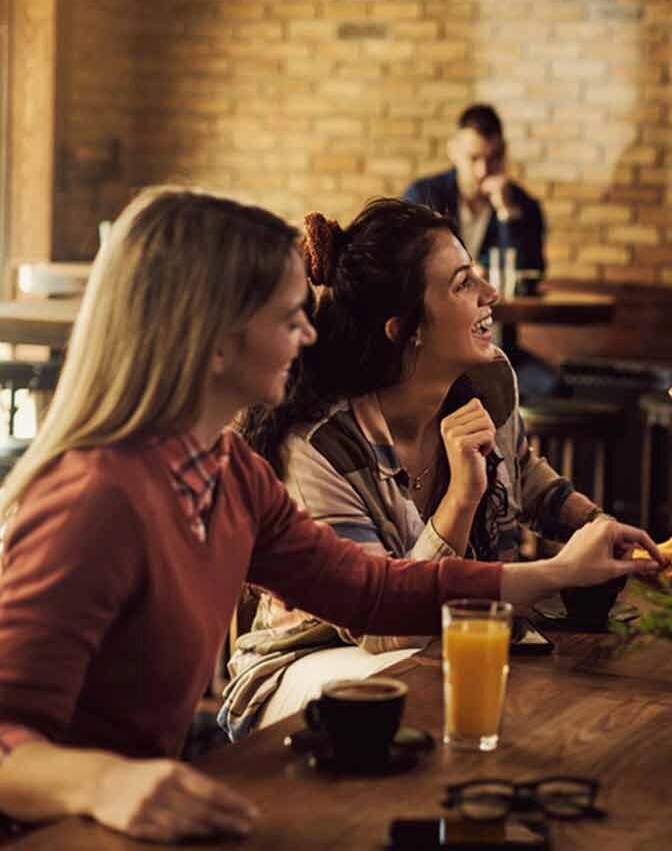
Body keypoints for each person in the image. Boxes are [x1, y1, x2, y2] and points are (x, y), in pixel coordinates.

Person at [0, 188, 657, 844]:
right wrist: (104, 782)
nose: (311, 334)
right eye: (289, 318)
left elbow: (373, 591)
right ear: (215, 344)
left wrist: (557, 572)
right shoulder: (93, 501)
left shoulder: (229, 475)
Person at [220, 199, 605, 737]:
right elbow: (381, 627)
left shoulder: (489, 382)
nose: (491, 296)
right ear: (405, 330)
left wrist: (595, 526)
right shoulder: (321, 449)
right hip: (314, 662)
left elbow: (524, 475)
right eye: (463, 284)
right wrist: (462, 498)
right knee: (435, 689)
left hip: (442, 641)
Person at [402, 104, 560, 399]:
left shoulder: (523, 206)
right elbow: (406, 271)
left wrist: (506, 214)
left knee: (551, 388)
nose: (483, 170)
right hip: (435, 349)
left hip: (498, 346)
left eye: (493, 158)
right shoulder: (423, 197)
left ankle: (519, 447)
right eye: (473, 158)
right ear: (453, 151)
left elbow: (529, 277)